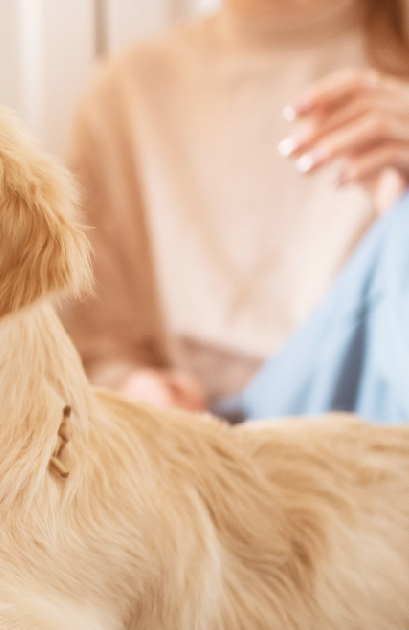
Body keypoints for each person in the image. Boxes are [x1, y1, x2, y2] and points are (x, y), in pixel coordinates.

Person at [65, 0, 409, 422]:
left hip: (370, 415)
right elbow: (95, 349)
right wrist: (134, 389)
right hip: (209, 435)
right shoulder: (128, 90)